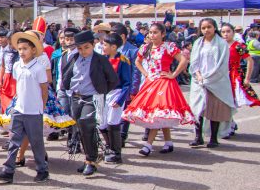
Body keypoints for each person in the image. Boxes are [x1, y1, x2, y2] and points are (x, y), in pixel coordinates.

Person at [123, 22, 193, 155]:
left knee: (158, 113)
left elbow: (183, 60)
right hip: (151, 82)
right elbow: (137, 61)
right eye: (150, 32)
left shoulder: (169, 46)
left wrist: (173, 74)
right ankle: (168, 142)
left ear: (163, 34)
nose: (152, 35)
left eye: (155, 32)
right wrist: (145, 73)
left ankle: (148, 145)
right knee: (160, 114)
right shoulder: (146, 47)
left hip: (164, 82)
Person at [0, 30, 49, 184]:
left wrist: (41, 108)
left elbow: (44, 90)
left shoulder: (38, 68)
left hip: (34, 111)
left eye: (25, 49)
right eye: (19, 49)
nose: (22, 52)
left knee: (36, 142)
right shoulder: (17, 66)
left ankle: (42, 170)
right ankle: (8, 170)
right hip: (19, 109)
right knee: (14, 141)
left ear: (33, 50)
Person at [62, 30, 119, 175]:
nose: (83, 51)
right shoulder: (74, 58)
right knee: (80, 127)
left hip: (92, 97)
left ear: (93, 45)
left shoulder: (100, 60)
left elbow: (113, 79)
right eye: (80, 48)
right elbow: (66, 74)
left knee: (86, 123)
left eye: (86, 47)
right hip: (76, 97)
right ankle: (89, 158)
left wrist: (102, 91)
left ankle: (91, 160)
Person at [187, 20, 235, 147]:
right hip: (199, 81)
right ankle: (198, 137)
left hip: (216, 81)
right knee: (198, 108)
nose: (206, 30)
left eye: (209, 27)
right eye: (203, 28)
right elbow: (194, 62)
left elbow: (222, 64)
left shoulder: (221, 43)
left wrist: (208, 78)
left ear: (214, 28)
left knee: (214, 109)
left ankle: (213, 138)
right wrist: (198, 75)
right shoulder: (198, 42)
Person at [98, 33, 132, 163]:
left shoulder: (123, 60)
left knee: (113, 121)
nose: (103, 46)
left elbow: (126, 82)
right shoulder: (102, 59)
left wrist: (120, 99)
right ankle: (108, 145)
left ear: (113, 47)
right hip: (103, 94)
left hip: (116, 93)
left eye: (105, 45)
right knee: (101, 122)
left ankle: (116, 152)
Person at [0, 30, 19, 113]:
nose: (11, 45)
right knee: (6, 104)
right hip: (7, 79)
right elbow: (2, 66)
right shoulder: (5, 52)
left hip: (17, 80)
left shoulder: (23, 53)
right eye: (10, 43)